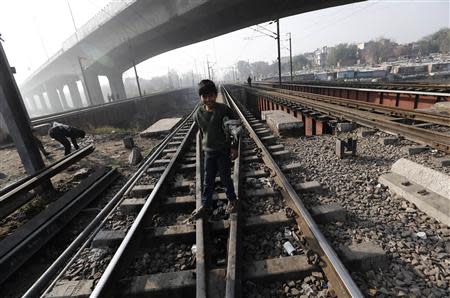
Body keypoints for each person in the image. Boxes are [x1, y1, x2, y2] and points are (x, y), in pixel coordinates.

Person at [191, 79, 240, 219]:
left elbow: (236, 130)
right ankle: (206, 205)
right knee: (208, 179)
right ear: (200, 97)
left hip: (222, 151)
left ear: (216, 95)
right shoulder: (198, 114)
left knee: (225, 178)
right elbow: (202, 131)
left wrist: (234, 148)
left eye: (211, 95)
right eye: (204, 96)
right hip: (209, 152)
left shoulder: (224, 110)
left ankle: (232, 200)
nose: (208, 99)